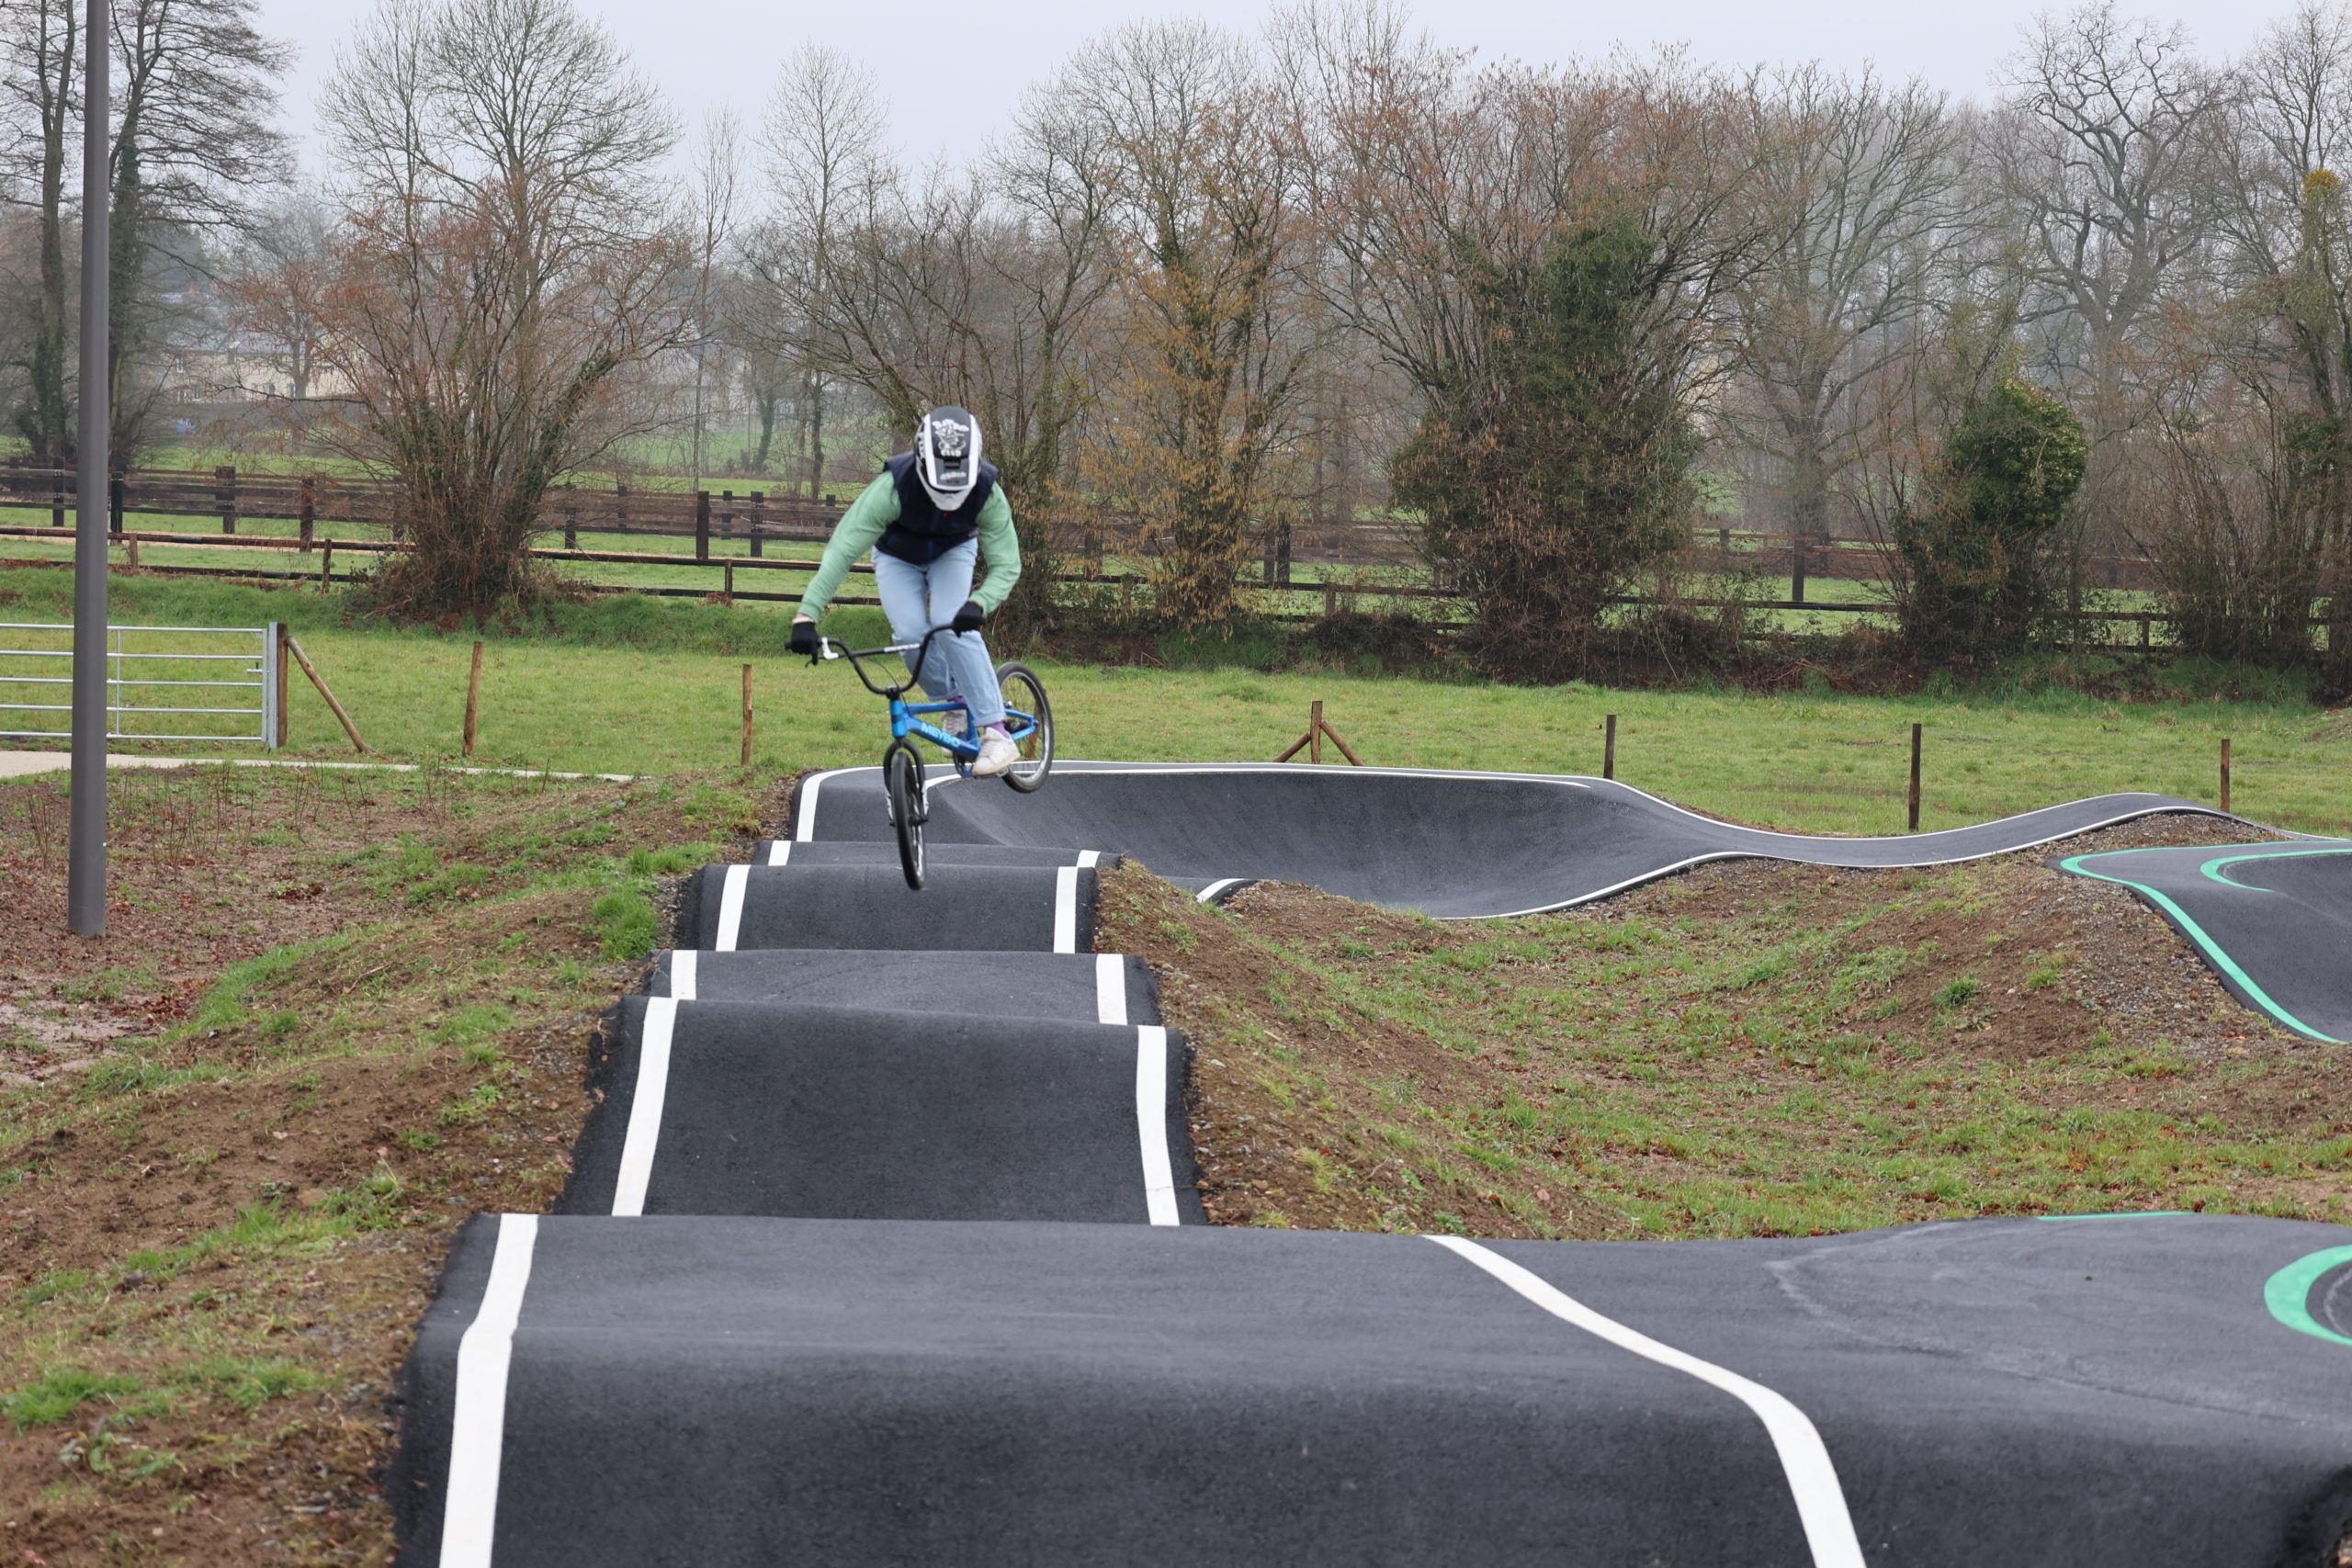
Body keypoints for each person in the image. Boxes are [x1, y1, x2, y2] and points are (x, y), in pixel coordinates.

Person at [789, 406, 1023, 777]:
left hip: (953, 551)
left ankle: (997, 733)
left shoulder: (987, 494)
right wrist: (807, 615)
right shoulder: (891, 489)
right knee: (911, 636)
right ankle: (953, 701)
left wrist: (980, 602)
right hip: (897, 556)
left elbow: (1008, 564)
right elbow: (842, 551)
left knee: (951, 622)